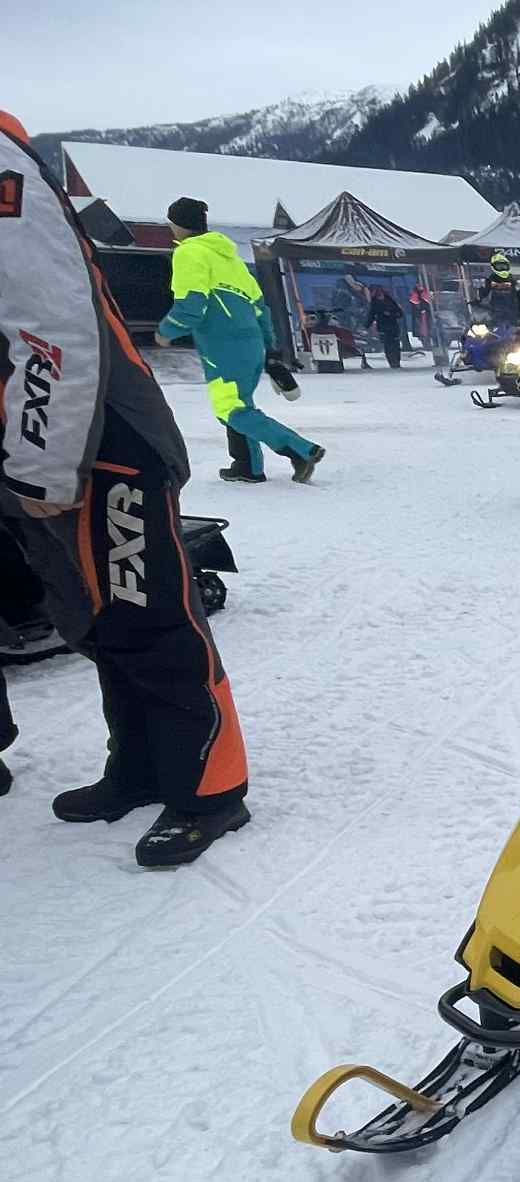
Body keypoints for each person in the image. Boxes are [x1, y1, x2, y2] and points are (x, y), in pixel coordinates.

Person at [0, 113, 252, 863]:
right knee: (94, 622)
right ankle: (140, 766)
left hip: (98, 438)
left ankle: (210, 789)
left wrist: (45, 462)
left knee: (150, 617)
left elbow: (52, 321)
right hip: (34, 445)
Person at [156, 196, 324, 486]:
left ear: (178, 224)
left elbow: (191, 304)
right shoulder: (230, 259)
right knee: (238, 405)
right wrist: (269, 347)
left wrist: (166, 331)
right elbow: (260, 308)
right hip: (250, 344)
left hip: (223, 345)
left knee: (231, 409)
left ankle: (301, 450)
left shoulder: (189, 253)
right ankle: (247, 466)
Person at [365, 285, 405, 368]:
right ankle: (392, 362)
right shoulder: (375, 303)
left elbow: (400, 313)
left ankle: (396, 361)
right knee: (388, 345)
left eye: (381, 294)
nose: (380, 296)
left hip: (393, 326)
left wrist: (391, 314)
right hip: (383, 327)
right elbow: (371, 315)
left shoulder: (390, 301)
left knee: (395, 345)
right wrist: (367, 325)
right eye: (378, 295)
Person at [484, 253, 520, 332]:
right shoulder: (490, 279)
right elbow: (484, 296)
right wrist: (478, 302)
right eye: (499, 266)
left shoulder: (512, 279)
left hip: (513, 316)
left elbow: (519, 295)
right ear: (493, 267)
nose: (502, 269)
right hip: (494, 315)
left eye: (504, 266)